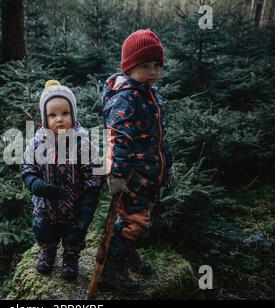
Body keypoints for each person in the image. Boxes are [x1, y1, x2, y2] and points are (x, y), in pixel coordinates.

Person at [101, 29, 175, 292]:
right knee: (134, 222)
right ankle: (112, 268)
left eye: (157, 65)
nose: (153, 71)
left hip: (149, 175)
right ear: (130, 67)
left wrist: (168, 168)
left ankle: (127, 253)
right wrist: (117, 175)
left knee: (142, 217)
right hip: (131, 177)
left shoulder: (148, 93)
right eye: (145, 65)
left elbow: (158, 138)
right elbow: (118, 139)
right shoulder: (126, 98)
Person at [21, 80, 103, 281]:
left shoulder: (82, 142)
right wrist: (33, 182)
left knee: (73, 234)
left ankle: (70, 257)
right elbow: (27, 166)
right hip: (45, 206)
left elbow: (94, 172)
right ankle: (48, 252)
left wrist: (88, 201)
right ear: (44, 118)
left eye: (65, 113)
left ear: (73, 115)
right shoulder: (36, 142)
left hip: (73, 204)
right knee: (43, 230)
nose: (59, 119)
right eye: (52, 115)